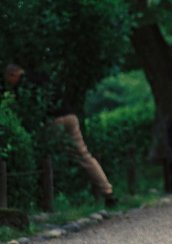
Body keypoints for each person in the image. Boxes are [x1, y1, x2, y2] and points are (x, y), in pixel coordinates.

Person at [4, 63, 117, 208]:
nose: (9, 84)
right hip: (70, 116)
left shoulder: (23, 85)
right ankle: (108, 192)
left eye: (8, 80)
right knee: (84, 155)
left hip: (54, 121)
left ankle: (44, 198)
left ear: (13, 74)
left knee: (44, 154)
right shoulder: (42, 76)